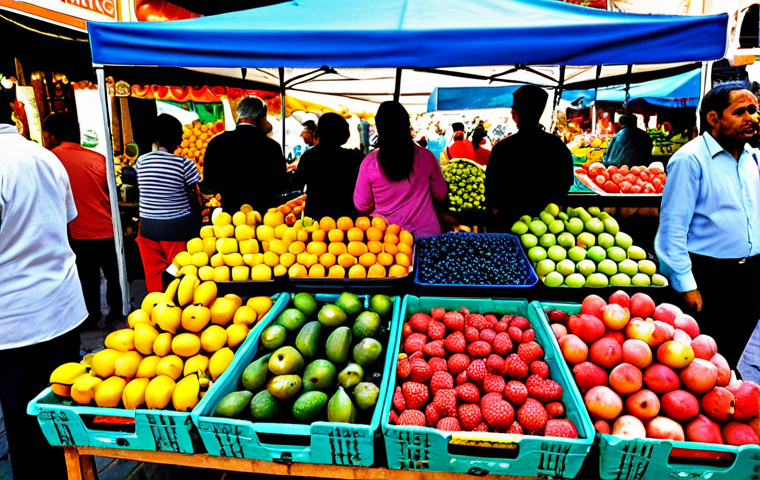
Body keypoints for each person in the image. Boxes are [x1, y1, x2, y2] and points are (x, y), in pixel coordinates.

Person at [0, 94, 86, 480]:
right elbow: (65, 221)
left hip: (17, 319)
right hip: (63, 305)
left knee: (26, 427)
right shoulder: (43, 156)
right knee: (63, 413)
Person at [655, 82, 760, 369]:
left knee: (732, 353)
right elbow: (672, 229)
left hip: (750, 274)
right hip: (710, 276)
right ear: (714, 119)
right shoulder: (690, 160)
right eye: (740, 112)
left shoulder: (752, 158)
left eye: (754, 110)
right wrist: (686, 284)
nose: (751, 117)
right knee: (702, 360)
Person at [44, 112, 124, 328]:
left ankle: (91, 316)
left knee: (87, 278)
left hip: (77, 231)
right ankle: (118, 312)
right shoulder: (99, 159)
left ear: (51, 136)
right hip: (108, 229)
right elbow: (111, 193)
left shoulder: (50, 159)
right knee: (114, 276)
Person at [353, 101, 447, 238]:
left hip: (388, 241)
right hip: (426, 238)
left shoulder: (369, 163)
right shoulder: (426, 157)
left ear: (379, 129)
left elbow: (362, 205)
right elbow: (440, 193)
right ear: (407, 126)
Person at [485, 85, 573, 229]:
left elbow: (491, 189)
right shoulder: (557, 146)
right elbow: (566, 183)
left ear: (515, 115)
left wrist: (497, 210)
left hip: (509, 223)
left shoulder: (502, 148)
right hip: (548, 227)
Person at [135, 114, 202, 292]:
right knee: (181, 274)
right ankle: (179, 309)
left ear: (154, 138)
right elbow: (195, 194)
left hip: (147, 229)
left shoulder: (141, 161)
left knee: (153, 273)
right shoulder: (184, 164)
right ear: (178, 139)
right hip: (177, 230)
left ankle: (156, 307)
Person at [202, 97, 287, 213]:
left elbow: (210, 183)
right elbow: (280, 185)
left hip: (229, 214)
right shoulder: (272, 146)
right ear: (259, 118)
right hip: (265, 214)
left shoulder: (217, 142)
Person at [290, 113, 364, 219]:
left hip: (315, 219)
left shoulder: (309, 156)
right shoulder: (353, 158)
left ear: (319, 132)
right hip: (345, 220)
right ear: (343, 134)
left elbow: (295, 185)